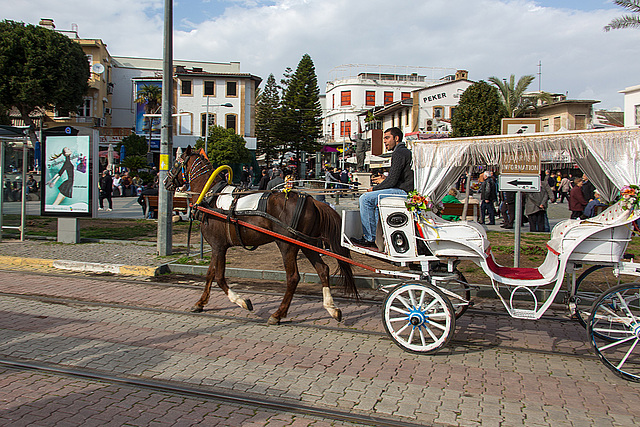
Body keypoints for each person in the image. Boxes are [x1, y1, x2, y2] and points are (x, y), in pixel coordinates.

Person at [354, 127, 413, 248]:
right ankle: (378, 237)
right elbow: (395, 179)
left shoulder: (398, 152)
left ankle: (370, 238)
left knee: (365, 199)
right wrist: (383, 181)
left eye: (387, 138)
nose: (384, 141)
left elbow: (392, 181)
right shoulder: (404, 151)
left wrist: (374, 189)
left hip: (404, 192)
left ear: (396, 138)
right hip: (405, 189)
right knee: (375, 205)